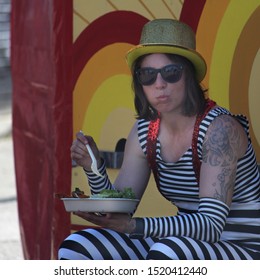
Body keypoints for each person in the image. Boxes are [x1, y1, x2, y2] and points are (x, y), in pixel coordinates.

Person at [58, 19, 260, 260]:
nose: (159, 84)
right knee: (78, 246)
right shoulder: (145, 131)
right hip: (185, 245)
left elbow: (210, 225)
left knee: (167, 251)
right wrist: (94, 168)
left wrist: (135, 227)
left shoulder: (220, 130)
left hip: (246, 249)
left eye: (171, 73)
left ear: (190, 76)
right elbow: (118, 211)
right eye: (147, 75)